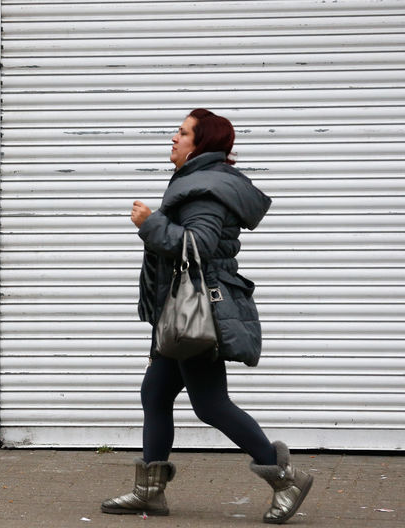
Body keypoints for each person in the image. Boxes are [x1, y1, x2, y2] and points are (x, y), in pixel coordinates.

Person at [100, 109, 313, 524]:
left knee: (211, 404)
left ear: (200, 144)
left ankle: (286, 478)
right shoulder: (197, 182)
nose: (173, 139)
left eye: (182, 133)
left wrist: (150, 224)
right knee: (156, 394)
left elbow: (197, 246)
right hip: (181, 310)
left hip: (198, 311)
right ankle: (150, 493)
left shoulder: (204, 191)